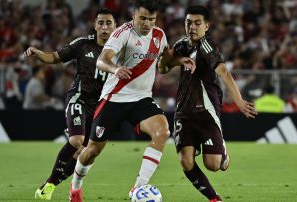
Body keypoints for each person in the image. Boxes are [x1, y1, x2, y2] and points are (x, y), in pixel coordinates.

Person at [68, 1, 195, 201]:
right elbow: (102, 59)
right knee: (92, 150)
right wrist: (116, 69)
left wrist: (179, 61)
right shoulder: (122, 33)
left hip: (141, 99)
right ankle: (75, 187)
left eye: (151, 19)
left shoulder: (159, 35)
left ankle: (138, 188)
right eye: (143, 18)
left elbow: (162, 66)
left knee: (162, 132)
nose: (147, 24)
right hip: (114, 98)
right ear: (134, 15)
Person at [158, 5, 257, 202]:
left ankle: (223, 151)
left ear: (207, 26)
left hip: (206, 111)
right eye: (188, 23)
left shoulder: (207, 46)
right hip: (183, 112)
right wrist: (174, 59)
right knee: (186, 162)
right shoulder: (181, 45)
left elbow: (224, 72)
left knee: (213, 164)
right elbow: (162, 69)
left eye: (197, 23)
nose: (192, 27)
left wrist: (238, 100)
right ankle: (214, 198)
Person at [23, 8, 117, 200]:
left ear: (115, 26)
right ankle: (51, 185)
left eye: (109, 23)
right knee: (76, 141)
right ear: (95, 25)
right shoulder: (83, 44)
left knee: (88, 154)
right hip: (79, 99)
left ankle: (50, 184)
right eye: (101, 23)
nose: (105, 27)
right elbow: (56, 56)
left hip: (102, 107)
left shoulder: (121, 49)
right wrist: (39, 53)